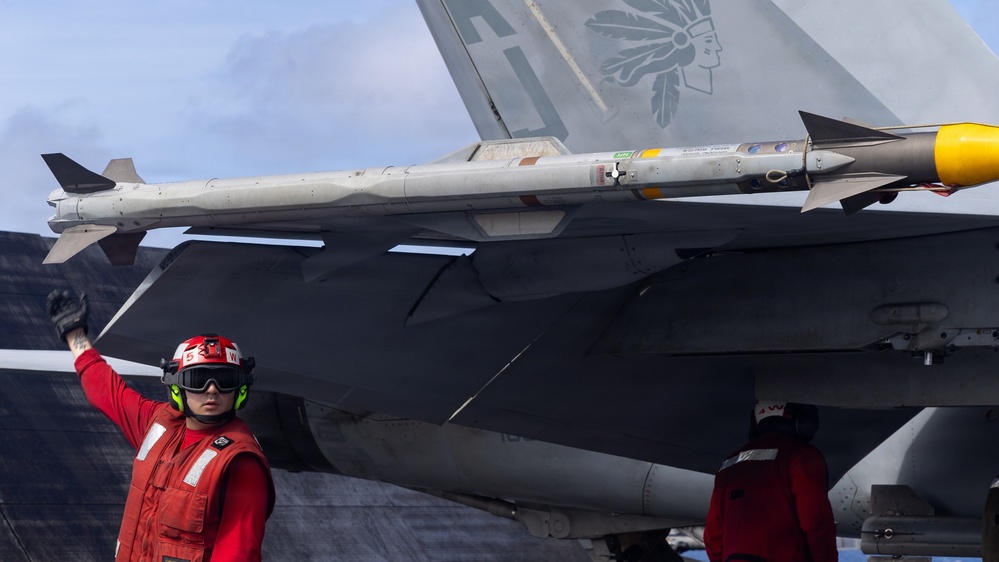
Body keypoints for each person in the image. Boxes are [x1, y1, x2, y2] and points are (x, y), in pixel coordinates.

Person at [47, 289, 275, 561]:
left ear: (240, 389)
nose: (211, 390)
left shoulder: (240, 463)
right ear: (177, 386)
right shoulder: (158, 425)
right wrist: (75, 335)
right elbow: (105, 390)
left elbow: (238, 554)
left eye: (225, 380)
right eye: (198, 379)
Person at [703, 401, 837, 562]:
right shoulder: (802, 456)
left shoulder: (729, 464)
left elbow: (713, 536)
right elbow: (816, 523)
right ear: (804, 422)